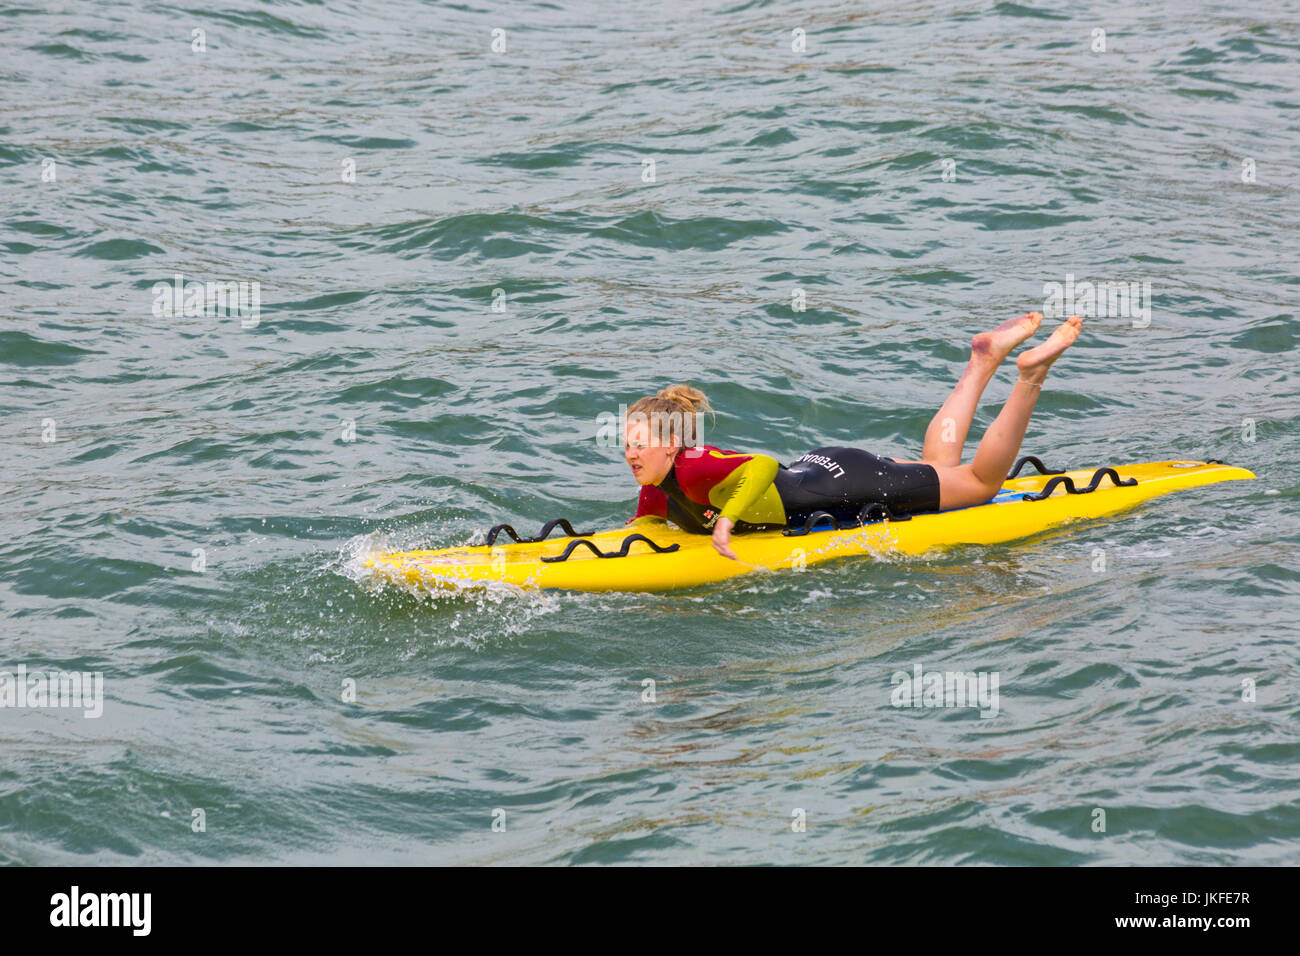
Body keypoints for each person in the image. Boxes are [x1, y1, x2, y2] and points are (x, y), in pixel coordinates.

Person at [624, 312, 1082, 560]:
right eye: (626, 443)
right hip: (822, 468)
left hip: (847, 484)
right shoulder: (657, 483)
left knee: (982, 484)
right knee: (939, 472)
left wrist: (725, 523)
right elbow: (651, 519)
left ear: (671, 445)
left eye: (639, 443)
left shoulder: (693, 463)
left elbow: (760, 466)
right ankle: (982, 361)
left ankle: (1030, 376)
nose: (630, 453)